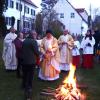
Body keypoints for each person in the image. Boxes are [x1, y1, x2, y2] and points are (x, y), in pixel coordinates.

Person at [21, 31, 40, 99]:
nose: (36, 35)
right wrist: (40, 53)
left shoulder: (24, 41)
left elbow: (22, 49)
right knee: (31, 75)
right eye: (35, 34)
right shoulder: (33, 41)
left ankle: (23, 85)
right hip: (31, 62)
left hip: (24, 61)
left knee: (25, 74)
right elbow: (36, 52)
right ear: (33, 35)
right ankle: (29, 87)